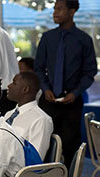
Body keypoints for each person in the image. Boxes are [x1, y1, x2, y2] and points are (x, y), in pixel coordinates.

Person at [34, 0, 97, 167]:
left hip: (72, 102)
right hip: (48, 101)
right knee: (43, 145)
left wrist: (76, 92)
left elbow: (90, 71)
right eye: (54, 8)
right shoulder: (47, 38)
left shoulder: (84, 40)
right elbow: (38, 68)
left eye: (60, 9)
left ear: (72, 12)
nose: (55, 12)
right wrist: (45, 88)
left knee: (70, 150)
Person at [5, 72, 53, 160]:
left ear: (25, 89)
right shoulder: (9, 114)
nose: (9, 86)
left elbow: (34, 159)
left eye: (14, 83)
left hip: (17, 171)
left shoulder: (40, 119)